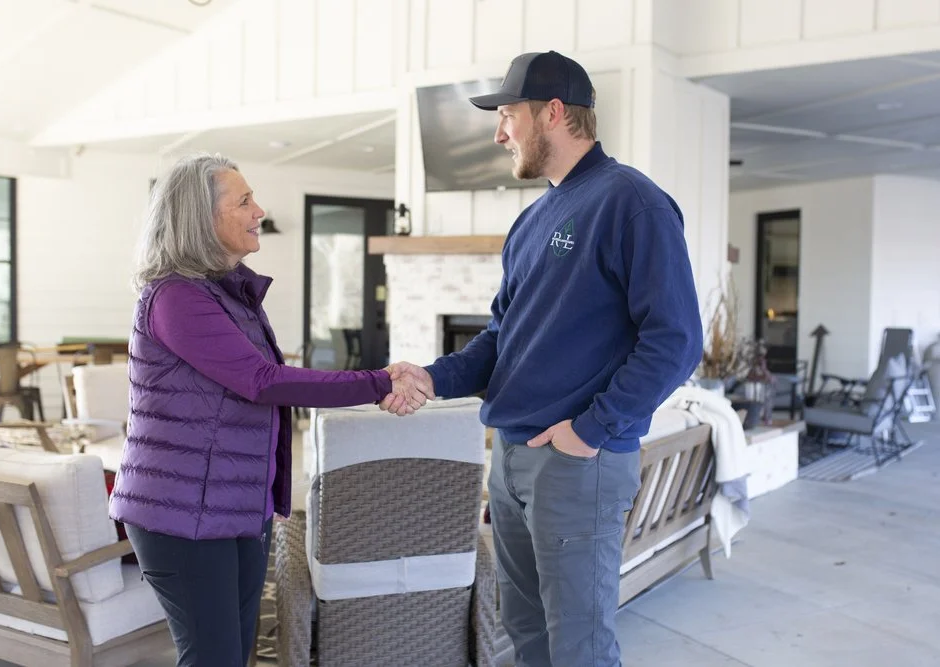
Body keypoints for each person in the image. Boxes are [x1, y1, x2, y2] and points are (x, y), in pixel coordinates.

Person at [382, 51, 704, 666]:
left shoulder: (631, 202)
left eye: (508, 116)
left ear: (552, 113)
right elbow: (503, 337)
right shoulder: (531, 220)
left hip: (575, 463)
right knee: (526, 635)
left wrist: (591, 430)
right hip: (509, 457)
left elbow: (676, 339)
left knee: (579, 648)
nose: (499, 133)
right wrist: (432, 375)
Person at [108, 153, 431, 667]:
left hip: (231, 505)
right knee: (213, 658)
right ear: (201, 219)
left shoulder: (223, 294)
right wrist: (378, 381)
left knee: (234, 655)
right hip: (180, 513)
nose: (259, 210)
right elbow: (263, 382)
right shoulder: (175, 297)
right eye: (244, 201)